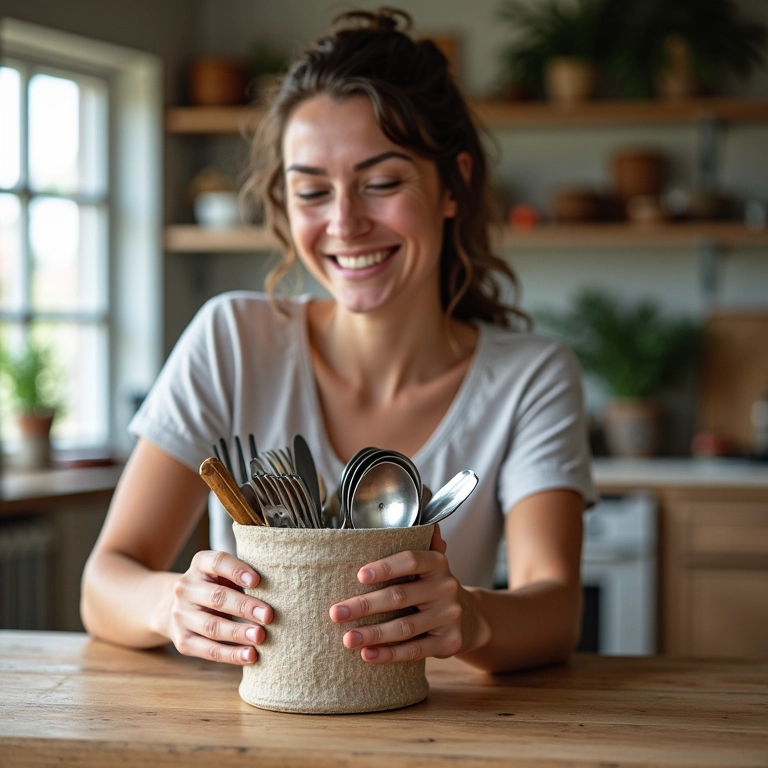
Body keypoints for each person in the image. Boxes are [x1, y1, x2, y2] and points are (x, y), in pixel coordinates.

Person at [81, 7, 596, 674]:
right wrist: (169, 604)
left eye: (382, 183)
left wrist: (469, 617)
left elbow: (554, 612)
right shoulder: (231, 340)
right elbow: (105, 581)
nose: (345, 223)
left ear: (453, 184)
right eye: (312, 192)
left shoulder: (532, 375)